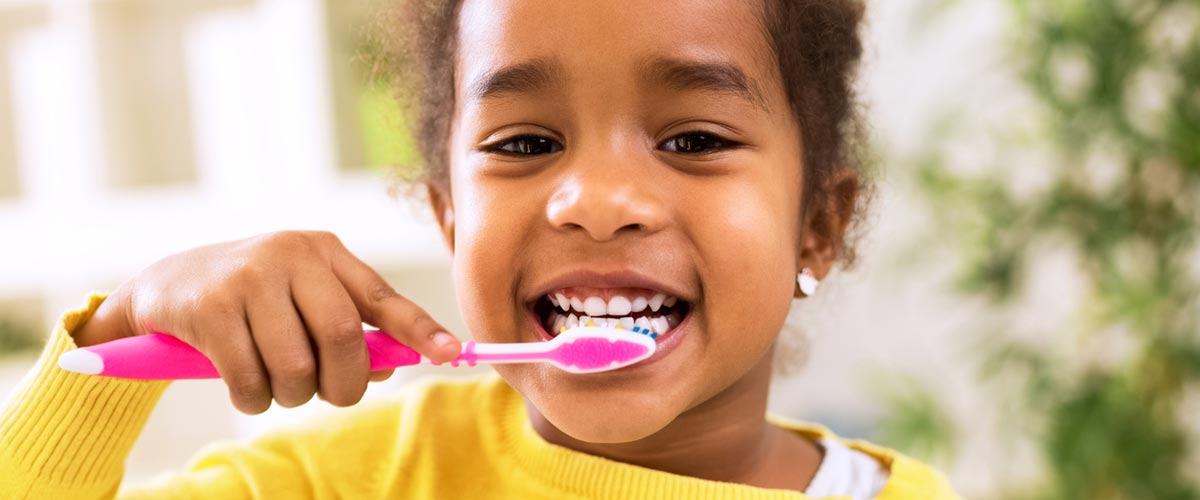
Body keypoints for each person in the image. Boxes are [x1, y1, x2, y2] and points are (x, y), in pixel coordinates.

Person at [0, 0, 961, 498]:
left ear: (818, 227)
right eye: (526, 144)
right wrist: (113, 346)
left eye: (694, 140)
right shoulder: (349, 481)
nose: (597, 201)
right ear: (449, 216)